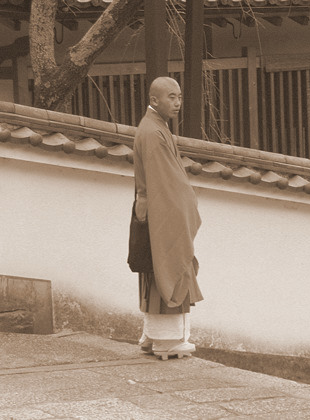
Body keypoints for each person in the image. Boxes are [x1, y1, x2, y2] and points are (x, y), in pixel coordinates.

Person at [132, 76, 203, 360]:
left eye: (180, 97)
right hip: (162, 212)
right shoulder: (153, 132)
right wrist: (186, 206)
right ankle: (166, 339)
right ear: (154, 100)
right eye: (171, 97)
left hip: (154, 210)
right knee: (167, 265)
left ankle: (153, 335)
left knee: (155, 269)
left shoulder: (156, 128)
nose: (177, 103)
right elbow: (167, 184)